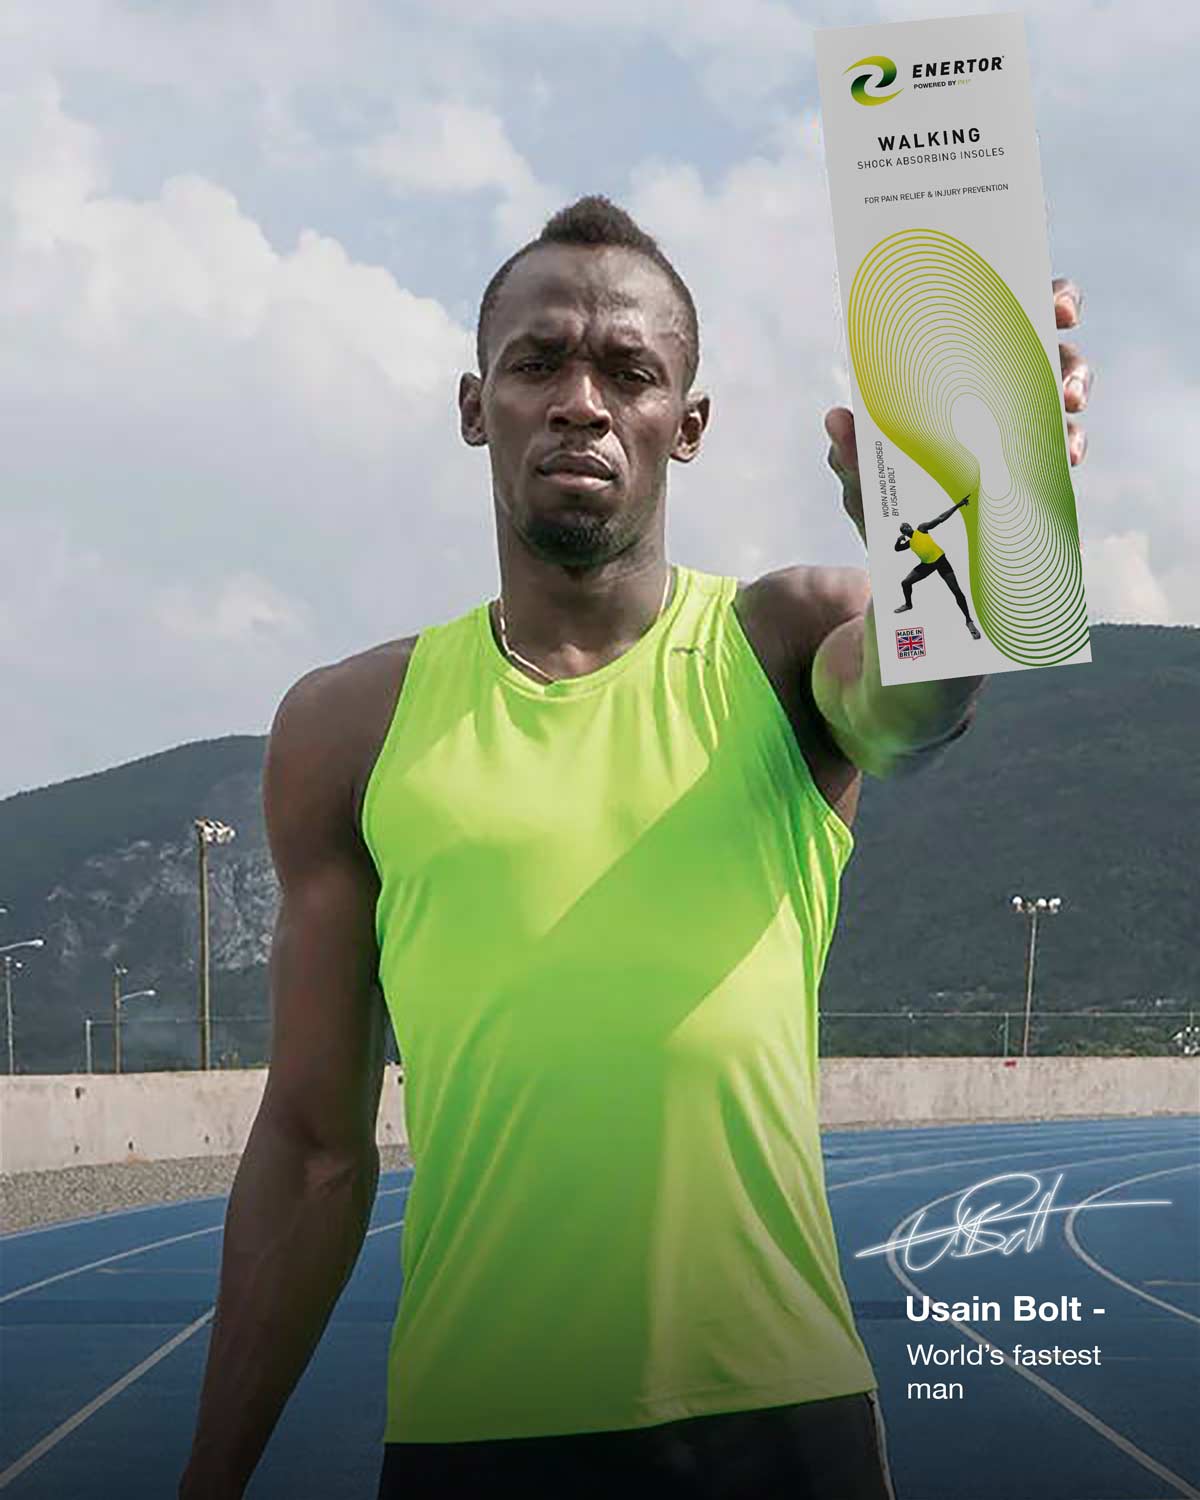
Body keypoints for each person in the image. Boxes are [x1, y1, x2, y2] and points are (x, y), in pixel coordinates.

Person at [178, 196, 1090, 1500]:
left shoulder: (785, 643)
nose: (582, 402)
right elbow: (315, 1149)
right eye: (538, 363)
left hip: (778, 1432)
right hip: (473, 1435)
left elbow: (918, 710)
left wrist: (963, 534)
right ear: (475, 406)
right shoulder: (347, 728)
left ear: (689, 423)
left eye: (630, 371)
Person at [893, 498, 981, 638]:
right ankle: (908, 605)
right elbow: (897, 549)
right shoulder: (910, 543)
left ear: (910, 526)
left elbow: (940, 518)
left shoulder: (921, 529)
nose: (905, 528)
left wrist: (958, 505)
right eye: (903, 528)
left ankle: (969, 621)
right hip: (927, 565)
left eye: (906, 526)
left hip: (940, 561)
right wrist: (898, 541)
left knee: (957, 591)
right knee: (905, 583)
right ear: (903, 533)